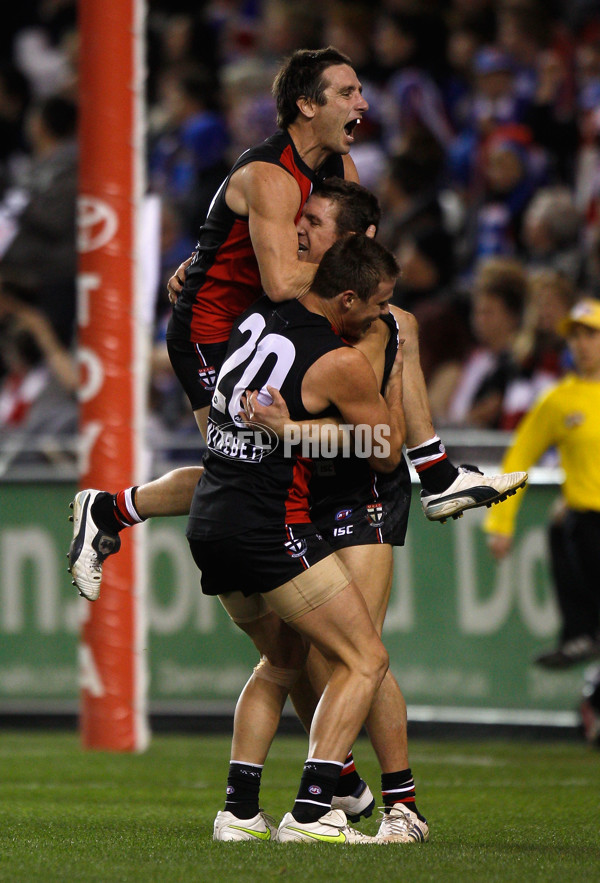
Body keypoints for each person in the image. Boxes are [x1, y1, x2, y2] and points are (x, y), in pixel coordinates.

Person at [190, 233, 406, 844]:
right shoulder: (338, 360)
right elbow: (386, 452)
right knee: (364, 659)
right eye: (377, 305)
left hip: (210, 517)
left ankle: (237, 814)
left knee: (281, 662)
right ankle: (313, 812)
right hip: (269, 524)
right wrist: (302, 430)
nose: (381, 317)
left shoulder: (256, 313)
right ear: (346, 298)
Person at [484, 297, 600, 667]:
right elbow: (519, 455)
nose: (582, 344)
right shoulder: (559, 401)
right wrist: (500, 522)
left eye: (591, 334)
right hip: (589, 525)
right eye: (576, 336)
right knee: (565, 532)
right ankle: (581, 638)